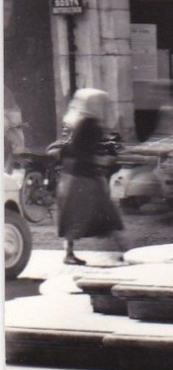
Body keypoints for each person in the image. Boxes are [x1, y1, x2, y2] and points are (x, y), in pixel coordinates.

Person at [49, 88, 128, 266]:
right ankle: (123, 249)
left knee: (76, 215)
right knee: (105, 214)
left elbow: (71, 147)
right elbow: (81, 150)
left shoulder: (76, 121)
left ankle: (71, 253)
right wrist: (101, 160)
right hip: (85, 176)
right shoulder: (90, 124)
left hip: (74, 175)